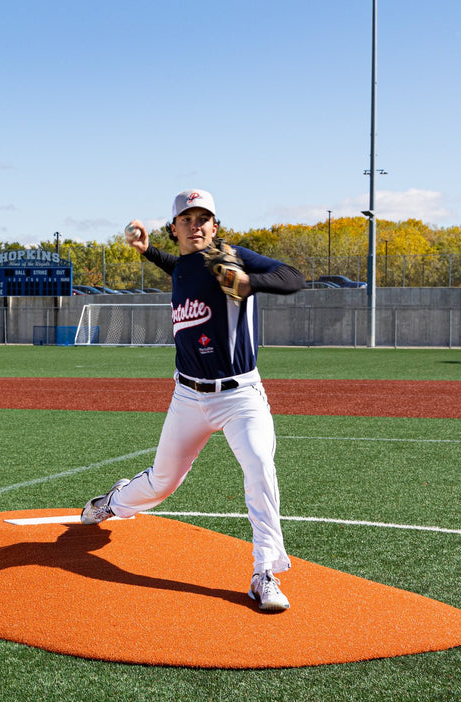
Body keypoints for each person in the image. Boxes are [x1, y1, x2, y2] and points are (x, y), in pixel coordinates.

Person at [79, 189, 305, 611]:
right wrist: (148, 251)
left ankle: (264, 573)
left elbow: (293, 277)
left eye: (203, 218)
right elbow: (180, 266)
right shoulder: (183, 264)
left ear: (215, 226)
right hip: (187, 395)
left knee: (259, 466)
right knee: (163, 482)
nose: (196, 225)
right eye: (187, 219)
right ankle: (114, 502)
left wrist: (250, 283)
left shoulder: (231, 258)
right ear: (174, 228)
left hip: (240, 395)